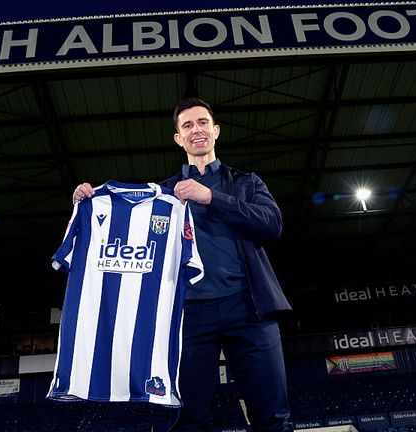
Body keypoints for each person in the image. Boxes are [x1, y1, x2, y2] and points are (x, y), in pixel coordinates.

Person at [72, 97, 293, 432]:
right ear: (178, 138)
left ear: (216, 131)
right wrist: (91, 207)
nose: (197, 130)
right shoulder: (162, 195)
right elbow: (126, 239)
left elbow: (271, 224)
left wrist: (211, 197)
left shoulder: (247, 182)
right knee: (190, 420)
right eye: (187, 125)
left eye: (203, 122)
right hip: (188, 315)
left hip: (250, 310)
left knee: (272, 416)